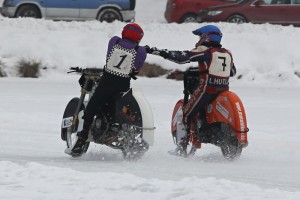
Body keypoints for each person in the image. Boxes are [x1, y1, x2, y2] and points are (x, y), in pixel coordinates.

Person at [146, 25, 236, 156]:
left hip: (207, 90)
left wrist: (159, 52)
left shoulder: (205, 51)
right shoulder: (227, 53)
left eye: (200, 36)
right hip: (222, 90)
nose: (199, 39)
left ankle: (182, 147)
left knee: (186, 113)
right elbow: (232, 72)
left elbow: (182, 57)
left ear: (206, 37)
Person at [71, 23, 147, 155]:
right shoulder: (140, 51)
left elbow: (108, 57)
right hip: (123, 88)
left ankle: (81, 140)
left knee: (91, 109)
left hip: (106, 84)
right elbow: (136, 70)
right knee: (120, 113)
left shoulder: (114, 41)